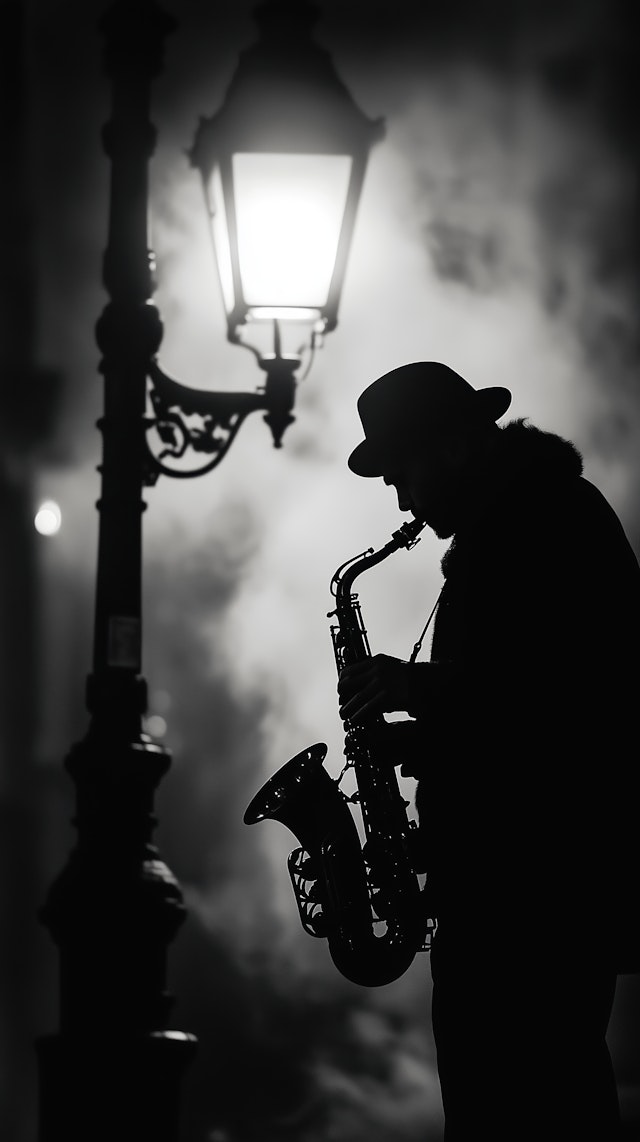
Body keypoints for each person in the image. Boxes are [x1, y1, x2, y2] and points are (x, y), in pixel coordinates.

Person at [337, 361, 640, 1141]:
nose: (402, 498)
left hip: (534, 903)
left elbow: (566, 702)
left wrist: (422, 693)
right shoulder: (518, 523)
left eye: (403, 472)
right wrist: (426, 734)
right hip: (514, 899)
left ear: (452, 447)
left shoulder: (543, 523)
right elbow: (517, 710)